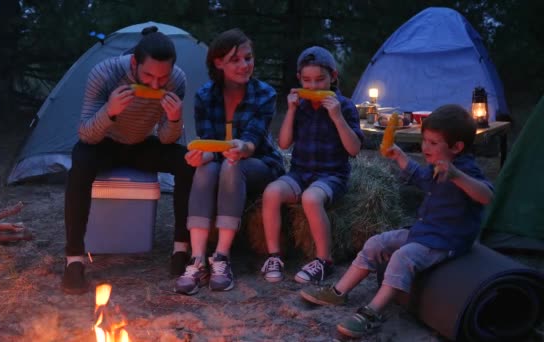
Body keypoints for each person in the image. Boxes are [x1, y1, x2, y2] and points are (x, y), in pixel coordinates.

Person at [300, 104, 494, 338]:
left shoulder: (466, 170)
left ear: (457, 147)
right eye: (424, 141)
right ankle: (338, 291)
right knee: (375, 243)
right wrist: (399, 156)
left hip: (446, 241)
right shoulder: (436, 167)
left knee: (403, 256)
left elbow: (486, 196)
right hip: (423, 231)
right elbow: (420, 178)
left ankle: (372, 312)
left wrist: (457, 176)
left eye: (433, 143)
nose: (425, 147)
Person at [62, 26, 195, 295]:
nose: (156, 85)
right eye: (148, 75)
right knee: (80, 160)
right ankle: (73, 259)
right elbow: (86, 133)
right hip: (103, 143)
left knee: (186, 160)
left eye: (163, 78)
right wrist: (109, 112)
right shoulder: (105, 73)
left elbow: (168, 139)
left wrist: (174, 119)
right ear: (134, 62)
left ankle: (181, 248)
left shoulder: (177, 80)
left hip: (141, 144)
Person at [174, 28, 285, 295]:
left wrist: (240, 147)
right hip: (221, 160)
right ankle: (198, 259)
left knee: (232, 165)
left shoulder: (264, 94)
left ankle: (222, 257)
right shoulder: (205, 96)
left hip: (258, 162)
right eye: (235, 60)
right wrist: (199, 154)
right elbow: (209, 143)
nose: (245, 65)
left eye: (248, 58)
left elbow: (253, 141)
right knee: (204, 167)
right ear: (218, 63)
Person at [260, 46, 363, 284]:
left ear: (333, 77)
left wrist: (337, 117)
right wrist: (291, 111)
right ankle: (274, 255)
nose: (314, 87)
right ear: (299, 79)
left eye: (320, 80)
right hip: (300, 172)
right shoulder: (301, 107)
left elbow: (354, 149)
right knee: (271, 192)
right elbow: (284, 144)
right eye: (307, 81)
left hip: (332, 176)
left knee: (311, 198)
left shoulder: (345, 106)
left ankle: (323, 260)